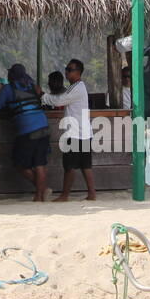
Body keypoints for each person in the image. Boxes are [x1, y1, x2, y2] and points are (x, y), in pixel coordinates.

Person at [0, 64, 50, 202]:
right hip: (44, 127)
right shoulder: (33, 86)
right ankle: (39, 196)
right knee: (39, 164)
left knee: (19, 164)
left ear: (11, 76)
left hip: (27, 130)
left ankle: (42, 191)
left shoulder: (8, 89)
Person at [42, 58, 96, 201]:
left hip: (75, 133)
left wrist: (43, 96)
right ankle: (92, 193)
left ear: (78, 72)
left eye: (69, 69)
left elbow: (60, 100)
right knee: (85, 165)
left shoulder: (76, 88)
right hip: (84, 132)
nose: (66, 72)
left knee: (69, 165)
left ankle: (65, 195)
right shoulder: (79, 87)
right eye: (66, 69)